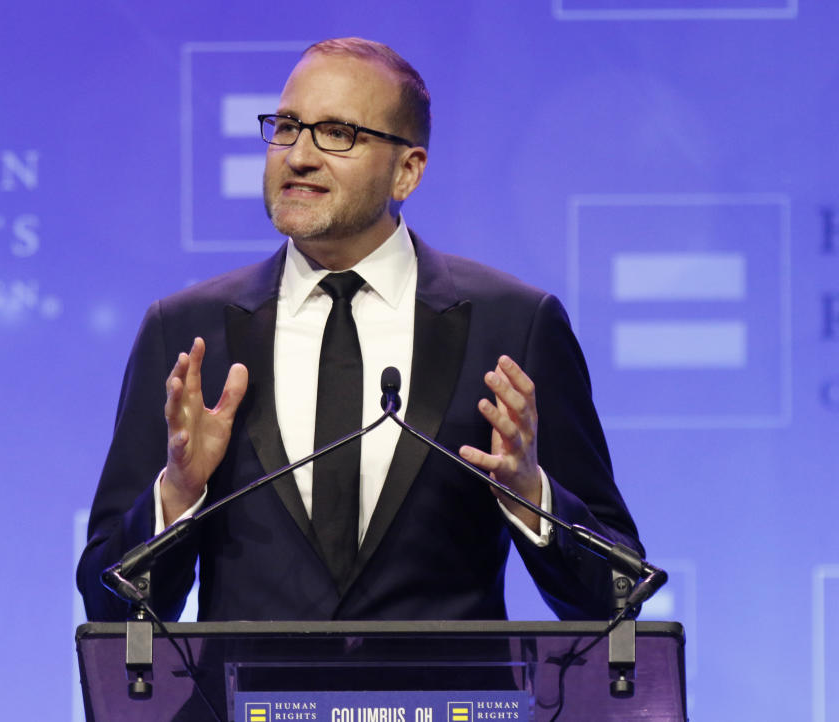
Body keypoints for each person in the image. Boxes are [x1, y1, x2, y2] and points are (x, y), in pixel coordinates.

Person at [77, 37, 641, 623]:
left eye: (338, 133)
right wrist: (177, 493)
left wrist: (530, 497)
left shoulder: (513, 325)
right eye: (288, 126)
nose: (298, 155)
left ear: (407, 171)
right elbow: (108, 606)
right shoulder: (188, 332)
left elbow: (617, 591)